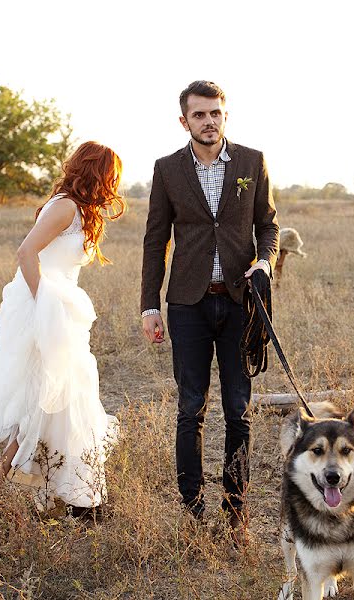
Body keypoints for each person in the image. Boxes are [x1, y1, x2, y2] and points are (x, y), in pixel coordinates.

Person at [140, 80, 279, 543]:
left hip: (242, 303)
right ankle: (193, 508)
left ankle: (236, 509)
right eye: (199, 115)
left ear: (225, 115)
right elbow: (155, 241)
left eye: (215, 113)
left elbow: (268, 226)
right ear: (185, 121)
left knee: (239, 410)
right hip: (187, 304)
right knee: (191, 408)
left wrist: (264, 261)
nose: (208, 121)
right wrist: (149, 305)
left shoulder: (251, 162)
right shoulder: (166, 169)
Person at [0, 141, 126, 516]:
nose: (114, 183)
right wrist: (44, 306)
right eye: (111, 175)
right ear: (95, 172)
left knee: (64, 397)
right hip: (41, 310)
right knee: (34, 401)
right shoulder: (66, 206)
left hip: (61, 309)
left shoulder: (81, 211)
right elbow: (26, 252)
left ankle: (73, 495)